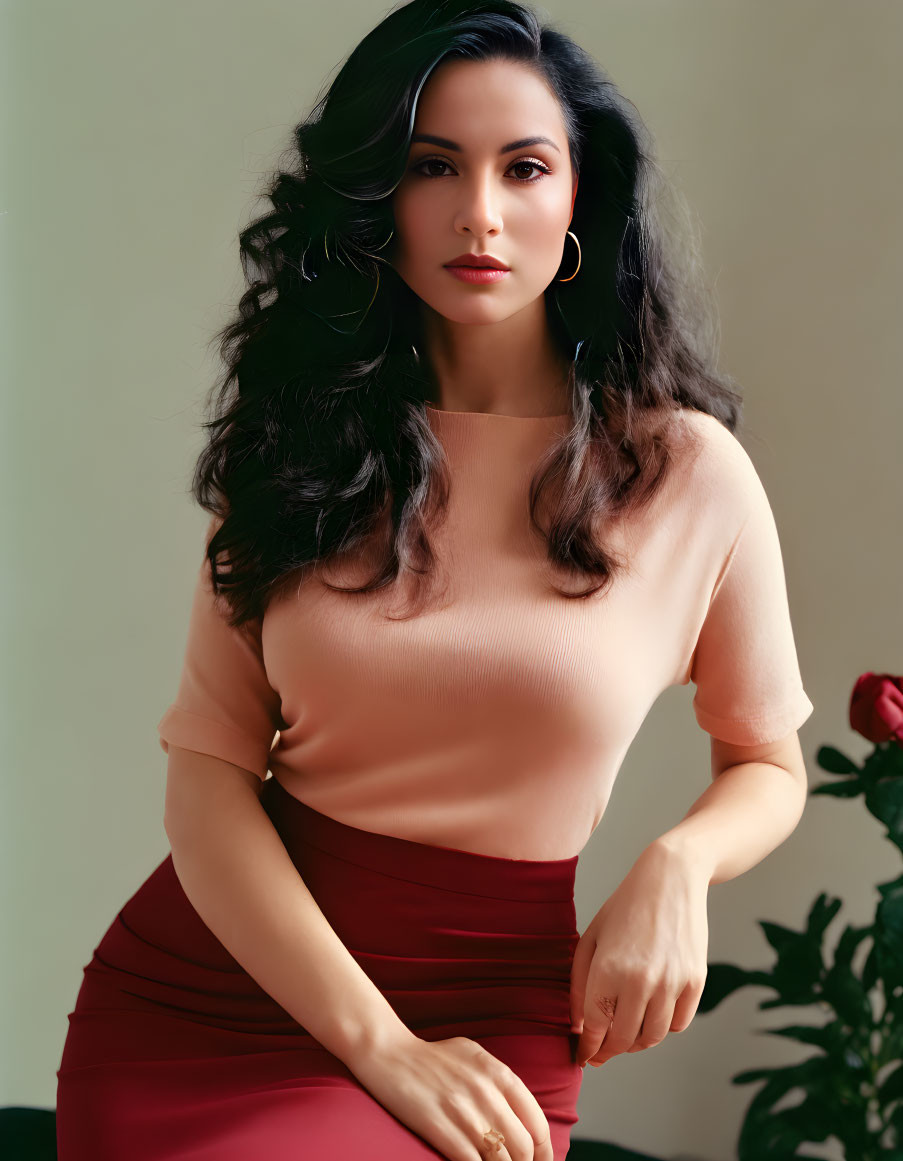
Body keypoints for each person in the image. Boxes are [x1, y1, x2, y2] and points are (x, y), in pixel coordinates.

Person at [55, 2, 815, 1158]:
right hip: (220, 992)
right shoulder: (294, 449)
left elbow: (767, 763)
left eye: (524, 168)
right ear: (378, 206)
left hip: (499, 1017)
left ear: (577, 207)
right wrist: (382, 1049)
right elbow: (208, 778)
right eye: (431, 167)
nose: (479, 213)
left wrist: (680, 863)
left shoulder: (686, 475)